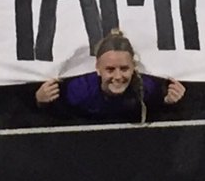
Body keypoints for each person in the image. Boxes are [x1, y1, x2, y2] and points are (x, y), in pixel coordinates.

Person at [35, 29, 185, 122]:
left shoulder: (147, 88)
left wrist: (169, 103)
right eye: (110, 69)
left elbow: (155, 115)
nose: (118, 76)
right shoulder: (79, 90)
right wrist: (41, 101)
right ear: (97, 69)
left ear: (134, 67)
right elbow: (62, 121)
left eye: (124, 68)